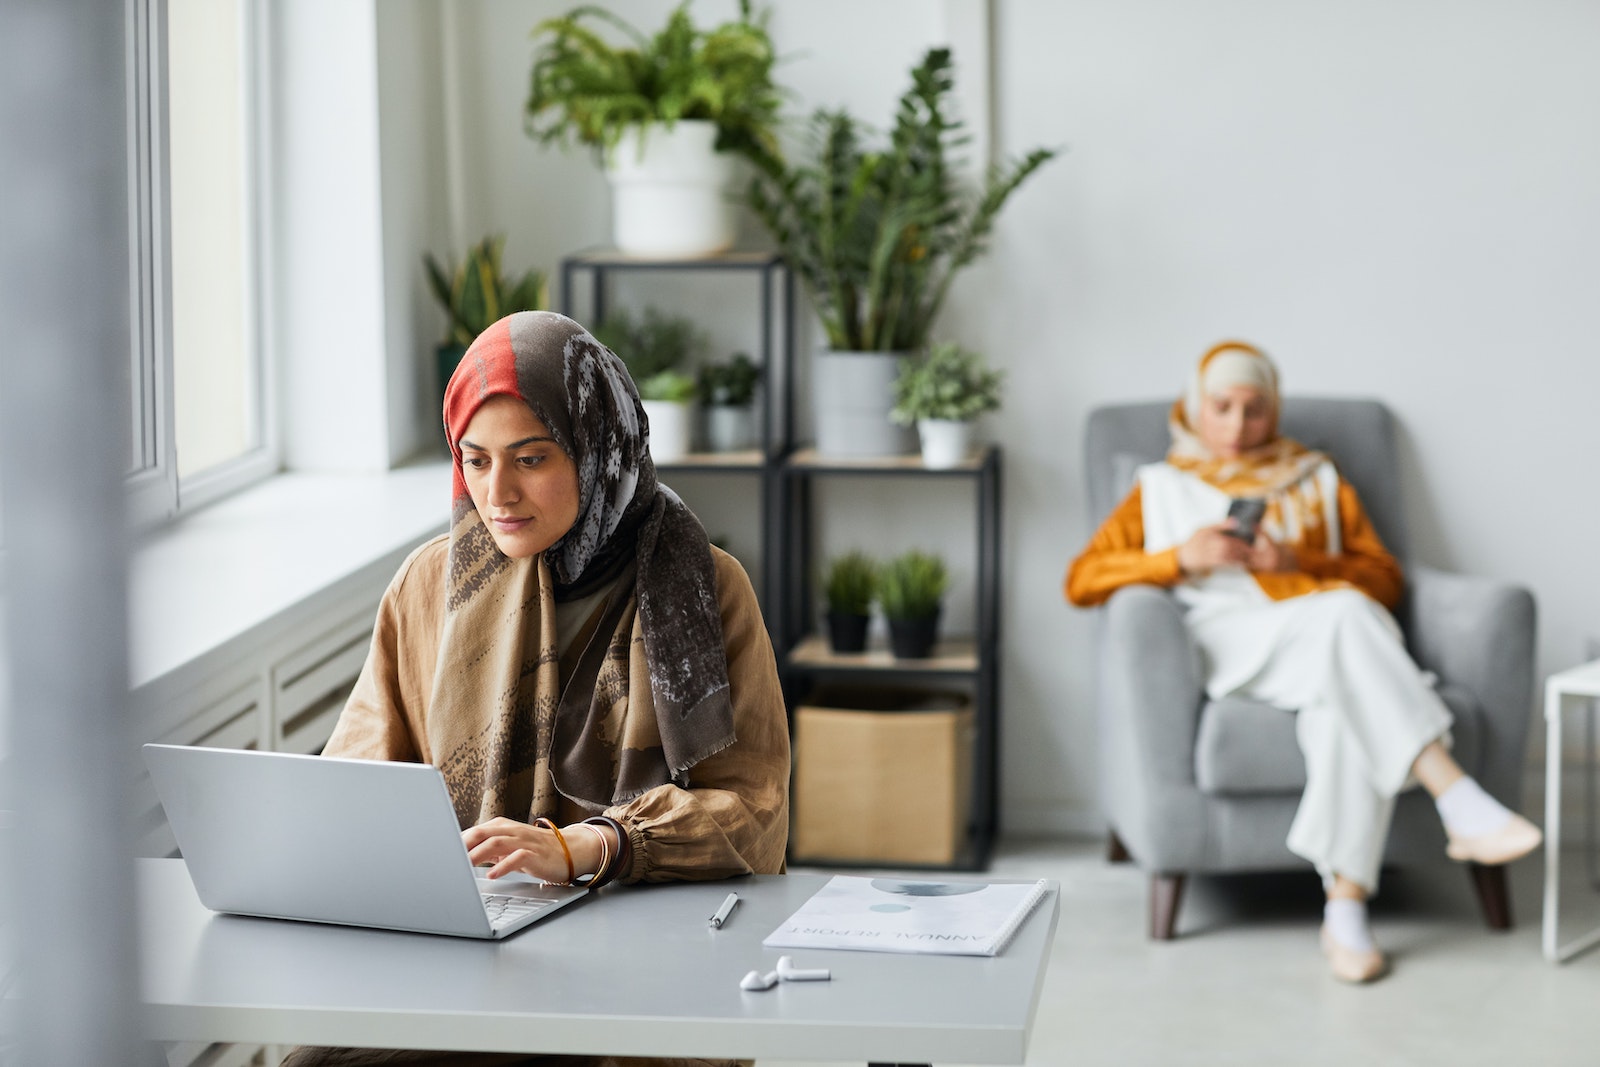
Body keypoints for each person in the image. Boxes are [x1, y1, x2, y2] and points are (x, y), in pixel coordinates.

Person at [282, 311, 789, 1067]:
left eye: (531, 458)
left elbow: (753, 812)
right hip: (468, 964)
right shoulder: (429, 585)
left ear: (597, 448)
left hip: (640, 961)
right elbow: (359, 777)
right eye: (476, 460)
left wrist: (587, 845)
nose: (498, 493)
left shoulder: (704, 589)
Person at [1064, 340, 1541, 984]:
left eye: (1254, 409)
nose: (1237, 426)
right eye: (1222, 407)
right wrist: (1181, 557)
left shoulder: (1317, 478)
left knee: (1343, 689)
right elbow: (1082, 579)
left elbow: (1385, 580)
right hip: (1226, 641)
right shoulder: (1160, 486)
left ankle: (1345, 913)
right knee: (1345, 616)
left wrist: (1297, 563)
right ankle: (1454, 794)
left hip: (1321, 636)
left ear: (1275, 410)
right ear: (1195, 407)